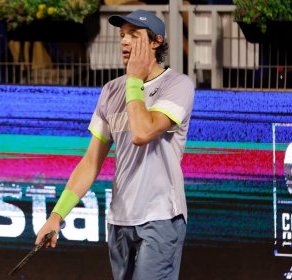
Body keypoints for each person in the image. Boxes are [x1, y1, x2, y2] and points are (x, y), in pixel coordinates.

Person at [36, 9, 195, 280]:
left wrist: (133, 79)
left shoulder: (177, 85)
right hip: (118, 221)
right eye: (122, 35)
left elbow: (142, 132)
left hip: (161, 218)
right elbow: (90, 162)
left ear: (156, 41)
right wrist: (57, 216)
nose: (124, 41)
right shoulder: (110, 91)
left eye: (134, 35)